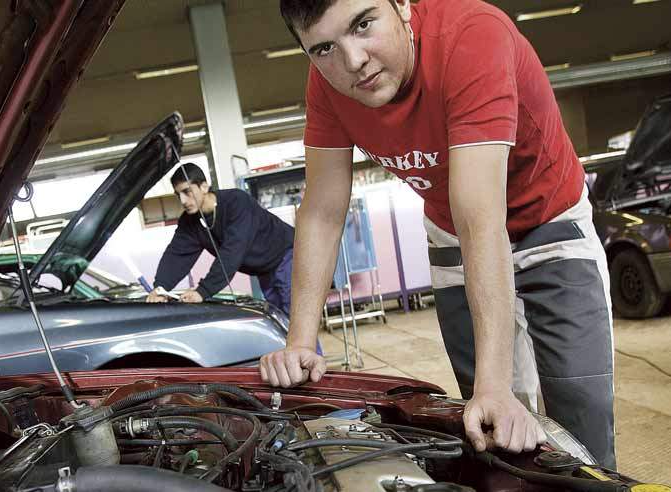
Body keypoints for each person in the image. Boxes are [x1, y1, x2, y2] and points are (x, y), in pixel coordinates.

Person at [258, 0, 616, 468]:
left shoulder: (472, 36)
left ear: (403, 5)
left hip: (546, 221)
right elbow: (323, 212)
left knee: (579, 418)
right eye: (323, 48)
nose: (353, 61)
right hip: (452, 231)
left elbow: (481, 218)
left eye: (364, 25)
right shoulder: (329, 82)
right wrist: (301, 342)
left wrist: (495, 384)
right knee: (493, 430)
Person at [146, 163, 296, 316]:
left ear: (204, 187)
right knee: (281, 321)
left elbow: (232, 251)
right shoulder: (190, 221)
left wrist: (203, 291)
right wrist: (160, 288)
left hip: (288, 256)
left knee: (296, 321)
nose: (183, 200)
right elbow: (176, 255)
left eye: (187, 191)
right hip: (264, 270)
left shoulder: (237, 202)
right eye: (178, 195)